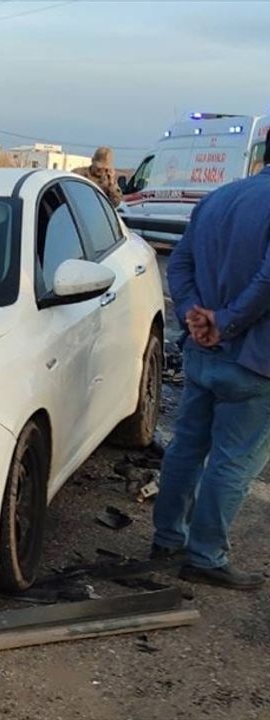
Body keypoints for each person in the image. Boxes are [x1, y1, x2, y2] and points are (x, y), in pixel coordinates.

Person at [153, 141, 270, 591]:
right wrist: (226, 321)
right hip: (254, 360)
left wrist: (191, 312)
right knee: (233, 460)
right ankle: (204, 555)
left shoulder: (219, 199)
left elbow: (179, 262)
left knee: (186, 447)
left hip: (205, 354)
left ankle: (166, 541)